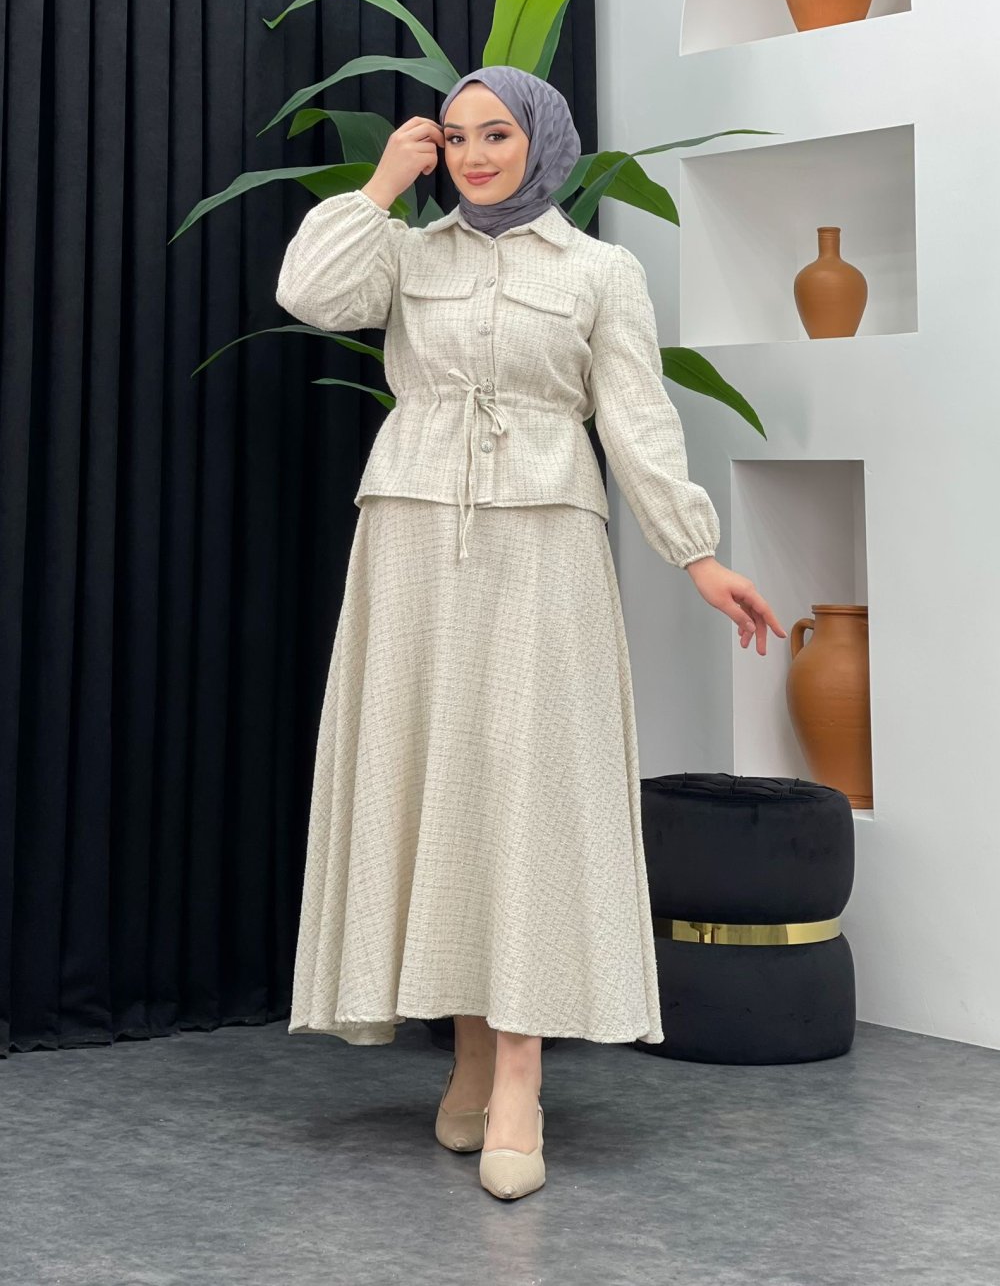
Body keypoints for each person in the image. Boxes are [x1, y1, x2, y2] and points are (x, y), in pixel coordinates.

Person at [274, 64, 786, 1202]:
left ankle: (518, 1075)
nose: (473, 154)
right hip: (412, 540)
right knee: (445, 790)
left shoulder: (600, 271)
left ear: (540, 140)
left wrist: (697, 553)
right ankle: (467, 1053)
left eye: (495, 134)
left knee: (528, 794)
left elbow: (638, 417)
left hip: (545, 543)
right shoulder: (408, 255)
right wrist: (381, 182)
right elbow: (308, 291)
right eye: (455, 137)